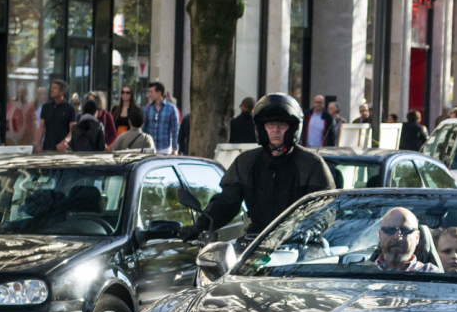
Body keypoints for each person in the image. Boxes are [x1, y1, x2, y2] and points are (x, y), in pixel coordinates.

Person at [182, 93, 334, 238]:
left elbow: (324, 208)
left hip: (299, 245)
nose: (275, 130)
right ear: (261, 129)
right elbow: (226, 202)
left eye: (282, 124)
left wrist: (311, 230)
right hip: (257, 242)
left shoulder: (311, 165)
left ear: (293, 127)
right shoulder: (246, 162)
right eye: (270, 124)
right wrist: (200, 226)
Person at [374, 208, 440, 272]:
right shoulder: (365, 271)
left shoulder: (430, 273)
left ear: (417, 237)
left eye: (405, 230)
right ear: (380, 235)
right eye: (390, 230)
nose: (397, 237)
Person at [142, 81, 180, 154]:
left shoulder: (171, 109)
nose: (149, 94)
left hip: (165, 147)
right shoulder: (147, 108)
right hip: (150, 147)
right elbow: (144, 128)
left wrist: (175, 148)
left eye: (151, 92)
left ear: (159, 93)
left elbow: (175, 130)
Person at [39, 79, 76, 153]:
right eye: (52, 87)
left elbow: (73, 130)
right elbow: (41, 127)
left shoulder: (69, 108)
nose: (51, 90)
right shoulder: (46, 107)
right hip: (48, 147)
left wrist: (65, 141)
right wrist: (38, 145)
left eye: (55, 88)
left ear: (62, 92)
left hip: (63, 149)